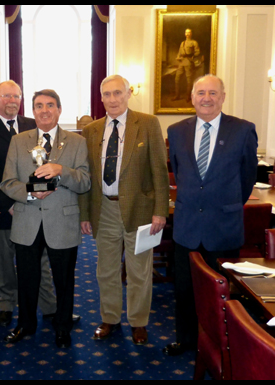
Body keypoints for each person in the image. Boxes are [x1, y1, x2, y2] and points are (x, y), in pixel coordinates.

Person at [164, 74, 258, 356]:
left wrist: (226, 204)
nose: (207, 98)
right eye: (201, 92)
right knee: (184, 289)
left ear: (223, 97)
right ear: (192, 97)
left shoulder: (242, 130)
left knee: (222, 293)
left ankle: (220, 343)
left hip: (224, 226)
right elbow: (181, 173)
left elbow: (247, 177)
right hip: (187, 225)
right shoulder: (176, 130)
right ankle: (187, 339)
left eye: (213, 93)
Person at [79, 75, 169, 345]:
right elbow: (87, 176)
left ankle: (138, 322)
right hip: (103, 208)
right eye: (107, 94)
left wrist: (160, 211)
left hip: (141, 210)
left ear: (129, 93)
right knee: (105, 268)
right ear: (101, 97)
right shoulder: (91, 130)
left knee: (139, 269)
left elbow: (159, 172)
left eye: (118, 93)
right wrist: (84, 214)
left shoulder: (149, 123)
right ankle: (110, 318)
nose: (112, 99)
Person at [0, 89, 90, 348]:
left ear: (59, 110)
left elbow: (84, 181)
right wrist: (30, 193)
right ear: (33, 111)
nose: (44, 110)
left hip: (62, 222)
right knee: (27, 279)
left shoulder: (76, 142)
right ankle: (25, 325)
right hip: (27, 221)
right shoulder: (19, 141)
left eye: (50, 105)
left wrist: (62, 171)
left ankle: (62, 327)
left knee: (64, 280)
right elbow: (7, 182)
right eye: (39, 106)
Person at [0, 80, 58, 328]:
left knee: (40, 261)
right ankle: (6, 304)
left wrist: (33, 197)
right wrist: (7, 205)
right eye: (6, 96)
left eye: (16, 96)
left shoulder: (33, 126)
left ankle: (49, 306)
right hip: (1, 209)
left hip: (33, 208)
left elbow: (43, 168)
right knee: (3, 262)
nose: (12, 101)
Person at [173, 29, 201, 102]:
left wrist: (192, 57)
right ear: (184, 34)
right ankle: (177, 95)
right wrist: (178, 57)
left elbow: (197, 52)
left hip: (189, 62)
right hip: (182, 62)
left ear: (191, 34)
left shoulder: (194, 42)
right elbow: (179, 52)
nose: (187, 34)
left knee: (189, 79)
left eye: (189, 33)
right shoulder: (182, 43)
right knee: (177, 78)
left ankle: (188, 96)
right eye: (186, 32)